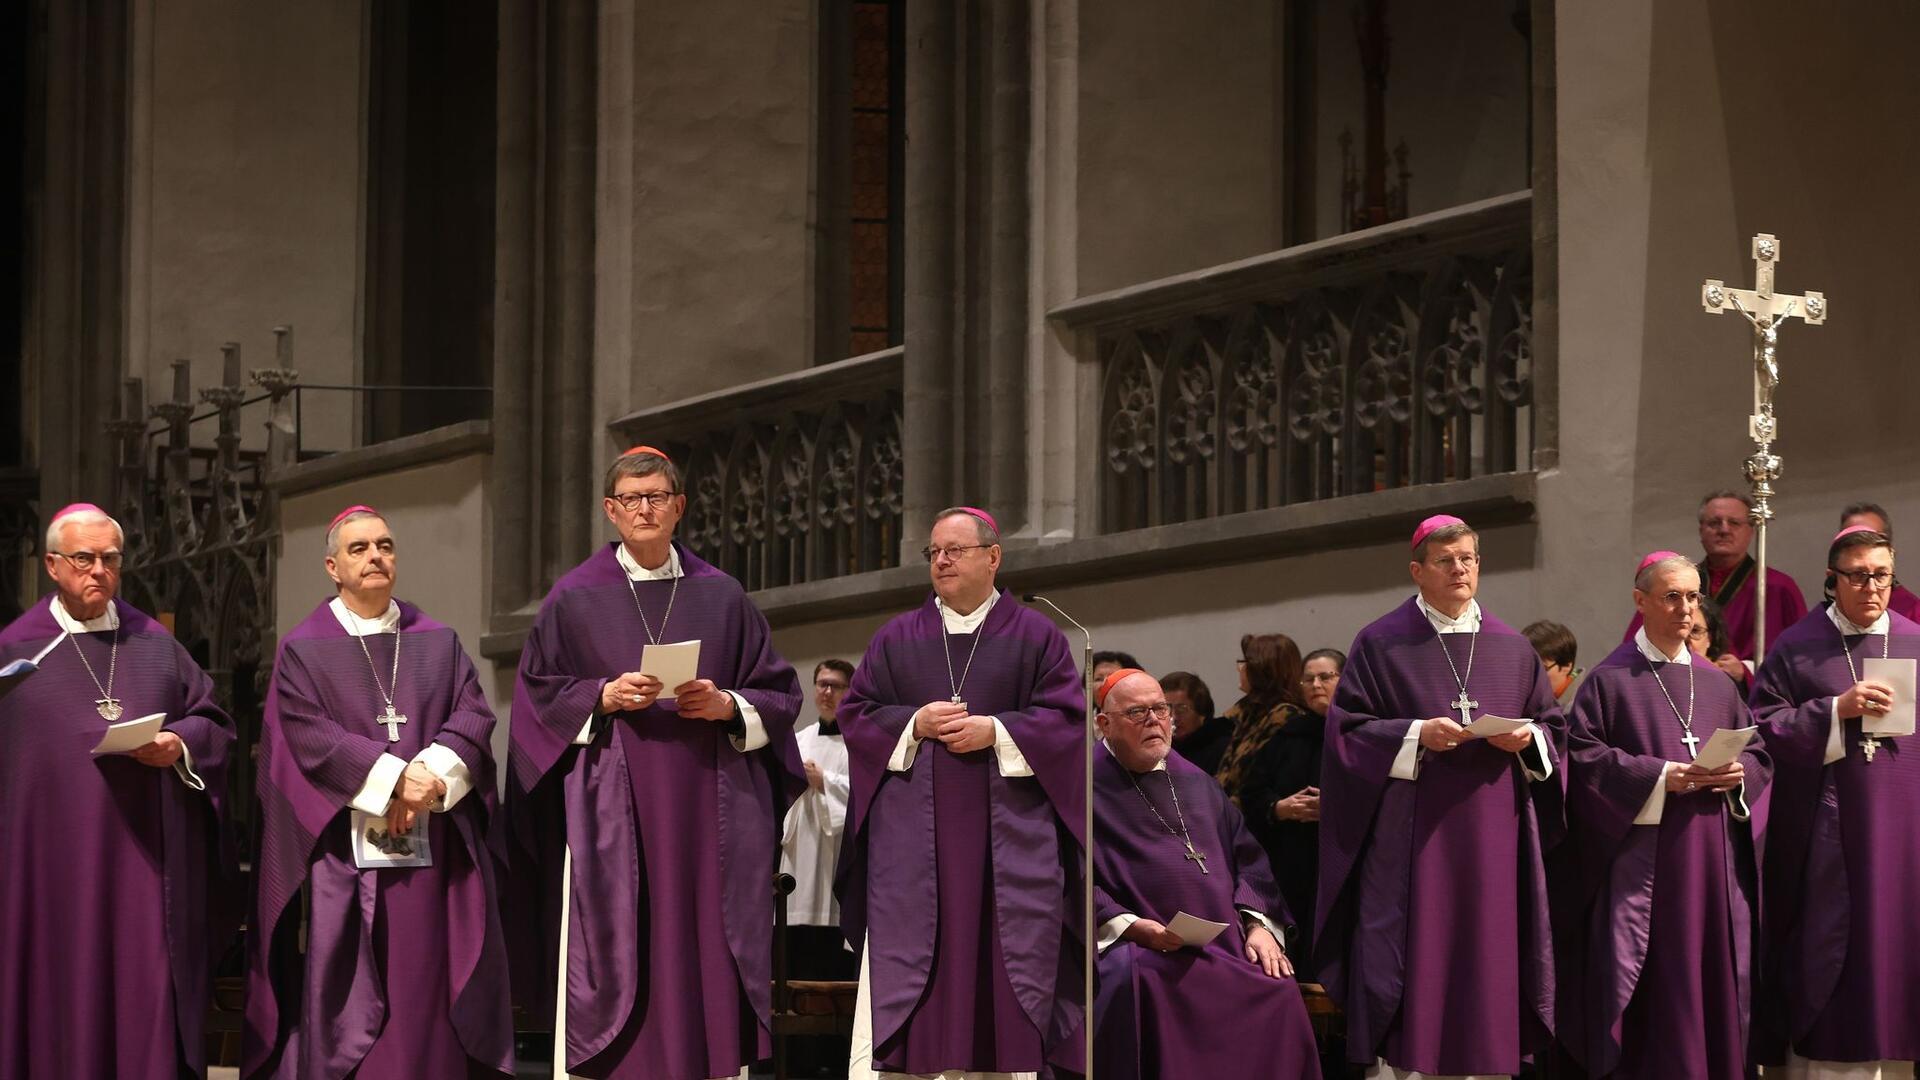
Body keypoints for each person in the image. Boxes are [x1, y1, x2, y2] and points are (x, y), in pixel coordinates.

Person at [502, 446, 806, 1080]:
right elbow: (535, 699)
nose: (645, 508)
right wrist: (602, 696)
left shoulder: (722, 596)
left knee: (704, 940)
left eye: (657, 497)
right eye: (632, 499)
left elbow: (779, 694)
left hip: (709, 807)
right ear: (612, 511)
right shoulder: (573, 599)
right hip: (613, 808)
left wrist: (725, 704)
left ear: (680, 508)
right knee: (620, 936)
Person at [245, 506, 513, 1078]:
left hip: (433, 854)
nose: (375, 557)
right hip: (345, 857)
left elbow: (472, 716)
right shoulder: (303, 649)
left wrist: (429, 781)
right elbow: (307, 737)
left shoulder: (437, 641)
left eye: (385, 546)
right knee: (355, 997)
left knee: (428, 985)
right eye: (360, 548)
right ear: (332, 567)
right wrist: (394, 780)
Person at [837, 506, 1085, 1079]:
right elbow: (857, 714)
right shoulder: (897, 637)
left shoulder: (1036, 636)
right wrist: (915, 724)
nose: (942, 561)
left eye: (955, 550)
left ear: (993, 558)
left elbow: (1068, 722)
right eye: (934, 553)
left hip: (1008, 851)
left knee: (1001, 972)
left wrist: (996, 731)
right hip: (911, 851)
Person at [1316, 514, 1566, 1078]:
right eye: (1446, 560)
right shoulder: (1381, 644)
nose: (1460, 569)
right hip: (1414, 838)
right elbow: (1347, 734)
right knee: (1418, 956)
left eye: (1469, 559)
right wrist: (1414, 735)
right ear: (1417, 571)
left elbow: (1555, 731)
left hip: (1495, 836)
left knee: (1490, 957)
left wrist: (1528, 738)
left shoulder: (1512, 646)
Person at [0, 503, 236, 1078]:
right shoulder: (17, 652)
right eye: (84, 559)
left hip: (144, 869)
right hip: (47, 879)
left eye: (110, 559)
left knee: (144, 992)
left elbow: (215, 723)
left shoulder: (154, 642)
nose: (98, 571)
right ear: (53, 565)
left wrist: (177, 745)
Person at [1552, 551, 1770, 1079]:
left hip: (1711, 865)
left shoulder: (1719, 685)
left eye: (1693, 597)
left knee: (1711, 987)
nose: (1686, 610)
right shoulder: (1608, 681)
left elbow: (1759, 754)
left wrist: (1738, 775)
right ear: (1641, 601)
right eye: (1672, 596)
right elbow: (1582, 761)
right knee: (1658, 999)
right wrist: (1659, 777)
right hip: (1645, 869)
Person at [1091, 668, 1323, 1080]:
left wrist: (1259, 926)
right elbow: (1067, 876)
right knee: (1144, 985)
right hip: (1142, 947)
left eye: (1161, 709)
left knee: (1278, 988)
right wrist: (1131, 927)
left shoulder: (1197, 781)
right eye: (1137, 712)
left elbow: (1249, 857)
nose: (1154, 720)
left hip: (1223, 944)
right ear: (1103, 724)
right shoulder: (1081, 784)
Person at [1750, 525, 1920, 1076]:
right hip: (1830, 837)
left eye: (1882, 576)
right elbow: (1763, 729)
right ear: (1832, 579)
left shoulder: (1915, 640)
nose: (1872, 587)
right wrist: (1834, 711)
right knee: (1839, 966)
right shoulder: (1796, 647)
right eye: (1858, 576)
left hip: (1908, 837)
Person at [1214, 633, 1321, 968]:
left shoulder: (1287, 720)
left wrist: (1272, 808)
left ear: (1262, 668)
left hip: (1274, 845)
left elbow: (1261, 786)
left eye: (1245, 662)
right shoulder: (1242, 717)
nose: (1239, 669)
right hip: (1234, 829)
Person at [1623, 490, 1807, 667]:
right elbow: (1637, 644)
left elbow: (1799, 660)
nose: (1724, 530)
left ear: (1751, 531)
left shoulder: (1778, 587)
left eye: (1734, 522)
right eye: (1714, 523)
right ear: (1701, 531)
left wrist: (1747, 671)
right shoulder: (1673, 584)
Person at [781, 658, 857, 1078]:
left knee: (833, 975)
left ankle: (834, 1063)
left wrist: (825, 780)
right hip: (798, 866)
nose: (827, 692)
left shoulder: (859, 744)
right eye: (822, 684)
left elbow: (862, 799)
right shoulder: (798, 740)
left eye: (837, 686)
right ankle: (797, 1065)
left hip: (833, 873)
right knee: (796, 972)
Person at [1837, 501, 1920, 620]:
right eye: (1853, 541)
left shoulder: (1913, 613)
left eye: (1874, 541)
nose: (1864, 550)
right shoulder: (1821, 621)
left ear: (1890, 552)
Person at [1161, 670, 1231, 774]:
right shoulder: (1161, 750)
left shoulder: (1223, 750)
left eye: (1182, 709)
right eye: (1166, 709)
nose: (1173, 717)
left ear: (1202, 712)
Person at [1522, 620, 1580, 701]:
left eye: (1542, 669)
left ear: (1566, 666)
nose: (1530, 677)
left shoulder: (1580, 708)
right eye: (1525, 667)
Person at [1300, 647, 1346, 720]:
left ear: (1344, 680)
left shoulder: (1362, 726)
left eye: (1325, 677)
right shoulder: (1291, 729)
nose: (1315, 685)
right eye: (1309, 679)